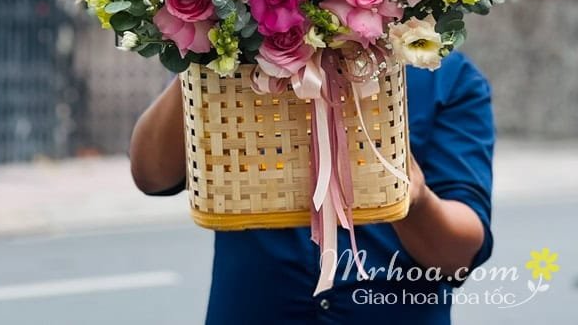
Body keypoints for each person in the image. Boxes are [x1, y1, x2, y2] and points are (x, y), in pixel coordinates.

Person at [130, 50, 494, 324]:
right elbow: (153, 176)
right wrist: (204, 43)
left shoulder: (442, 73)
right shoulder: (234, 60)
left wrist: (414, 199)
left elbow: (458, 258)